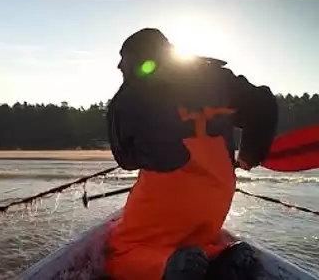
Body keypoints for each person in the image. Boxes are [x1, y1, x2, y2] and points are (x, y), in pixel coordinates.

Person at [104, 28, 278, 280]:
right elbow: (264, 102)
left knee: (120, 252)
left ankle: (167, 267)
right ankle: (220, 258)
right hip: (218, 195)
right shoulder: (220, 79)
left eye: (123, 57)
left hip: (167, 195)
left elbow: (127, 161)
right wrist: (248, 156)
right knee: (199, 235)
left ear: (138, 57)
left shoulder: (132, 94)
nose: (119, 64)